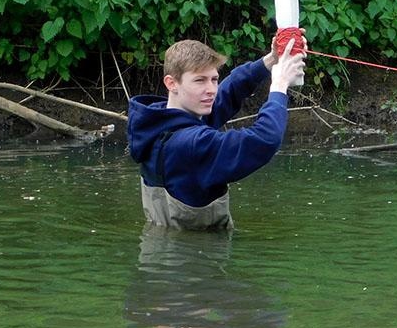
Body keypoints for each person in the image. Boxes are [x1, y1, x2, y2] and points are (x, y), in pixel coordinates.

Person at [128, 33, 307, 231]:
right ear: (171, 83)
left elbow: (227, 92)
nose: (211, 89)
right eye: (200, 80)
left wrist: (271, 59)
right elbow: (265, 139)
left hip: (156, 252)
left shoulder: (155, 124)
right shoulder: (193, 144)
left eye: (214, 79)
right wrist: (280, 85)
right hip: (197, 258)